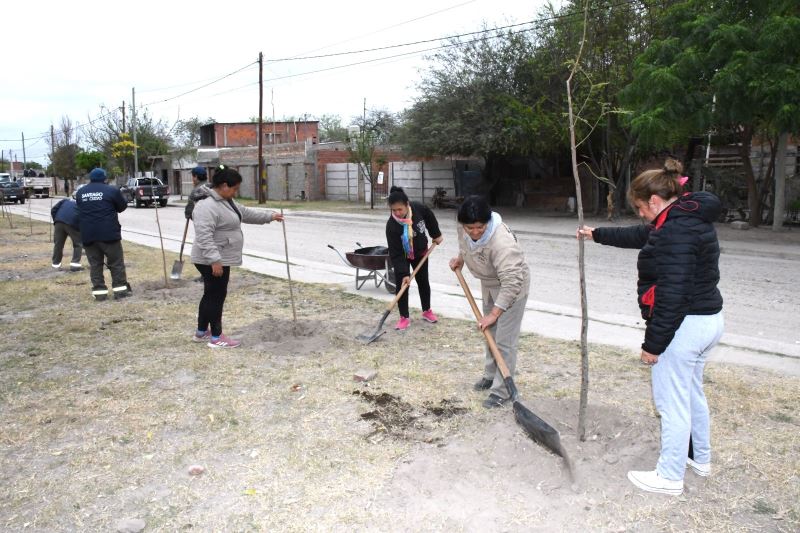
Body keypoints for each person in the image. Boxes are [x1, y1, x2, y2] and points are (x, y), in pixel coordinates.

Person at [577, 159, 724, 496]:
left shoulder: (674, 230)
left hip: (684, 327)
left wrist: (653, 345)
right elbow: (641, 234)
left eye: (642, 208)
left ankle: (669, 476)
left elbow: (673, 294)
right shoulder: (685, 218)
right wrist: (596, 234)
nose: (642, 215)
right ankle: (699, 458)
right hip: (709, 319)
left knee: (671, 403)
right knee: (691, 394)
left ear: (655, 202)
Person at [448, 195, 530, 409]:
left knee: (504, 340)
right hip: (489, 282)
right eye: (470, 228)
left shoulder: (502, 243)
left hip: (512, 288)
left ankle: (502, 390)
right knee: (489, 333)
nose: (474, 232)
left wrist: (494, 313)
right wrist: (461, 259)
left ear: (487, 222)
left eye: (480, 228)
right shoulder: (462, 226)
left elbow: (512, 282)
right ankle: (490, 374)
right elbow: (465, 244)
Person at [190, 165, 284, 348]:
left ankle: (202, 332)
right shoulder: (206, 206)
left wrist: (270, 216)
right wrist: (215, 261)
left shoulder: (225, 201)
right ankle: (217, 337)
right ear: (224, 185)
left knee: (211, 294)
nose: (235, 192)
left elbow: (246, 213)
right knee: (216, 296)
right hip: (211, 259)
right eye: (234, 188)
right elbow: (204, 235)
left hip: (220, 257)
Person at [385, 186, 443, 330]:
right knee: (402, 286)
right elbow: (396, 253)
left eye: (400, 209)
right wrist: (404, 273)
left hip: (420, 253)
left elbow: (430, 217)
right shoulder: (391, 226)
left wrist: (436, 235)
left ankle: (427, 311)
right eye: (394, 210)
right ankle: (404, 317)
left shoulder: (418, 209)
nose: (398, 213)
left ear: (407, 205)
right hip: (403, 256)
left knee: (423, 281)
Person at [75, 168, 131, 301]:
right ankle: (120, 291)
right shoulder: (111, 190)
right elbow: (122, 207)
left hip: (88, 234)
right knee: (116, 263)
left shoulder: (81, 192)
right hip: (109, 234)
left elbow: (79, 208)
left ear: (90, 178)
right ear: (105, 178)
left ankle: (99, 293)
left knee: (95, 264)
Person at [50, 197, 83, 271]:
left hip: (59, 222)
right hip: (72, 223)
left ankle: (55, 264)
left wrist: (56, 220)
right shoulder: (82, 204)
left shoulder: (65, 200)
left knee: (58, 244)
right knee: (78, 243)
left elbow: (53, 210)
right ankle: (75, 264)